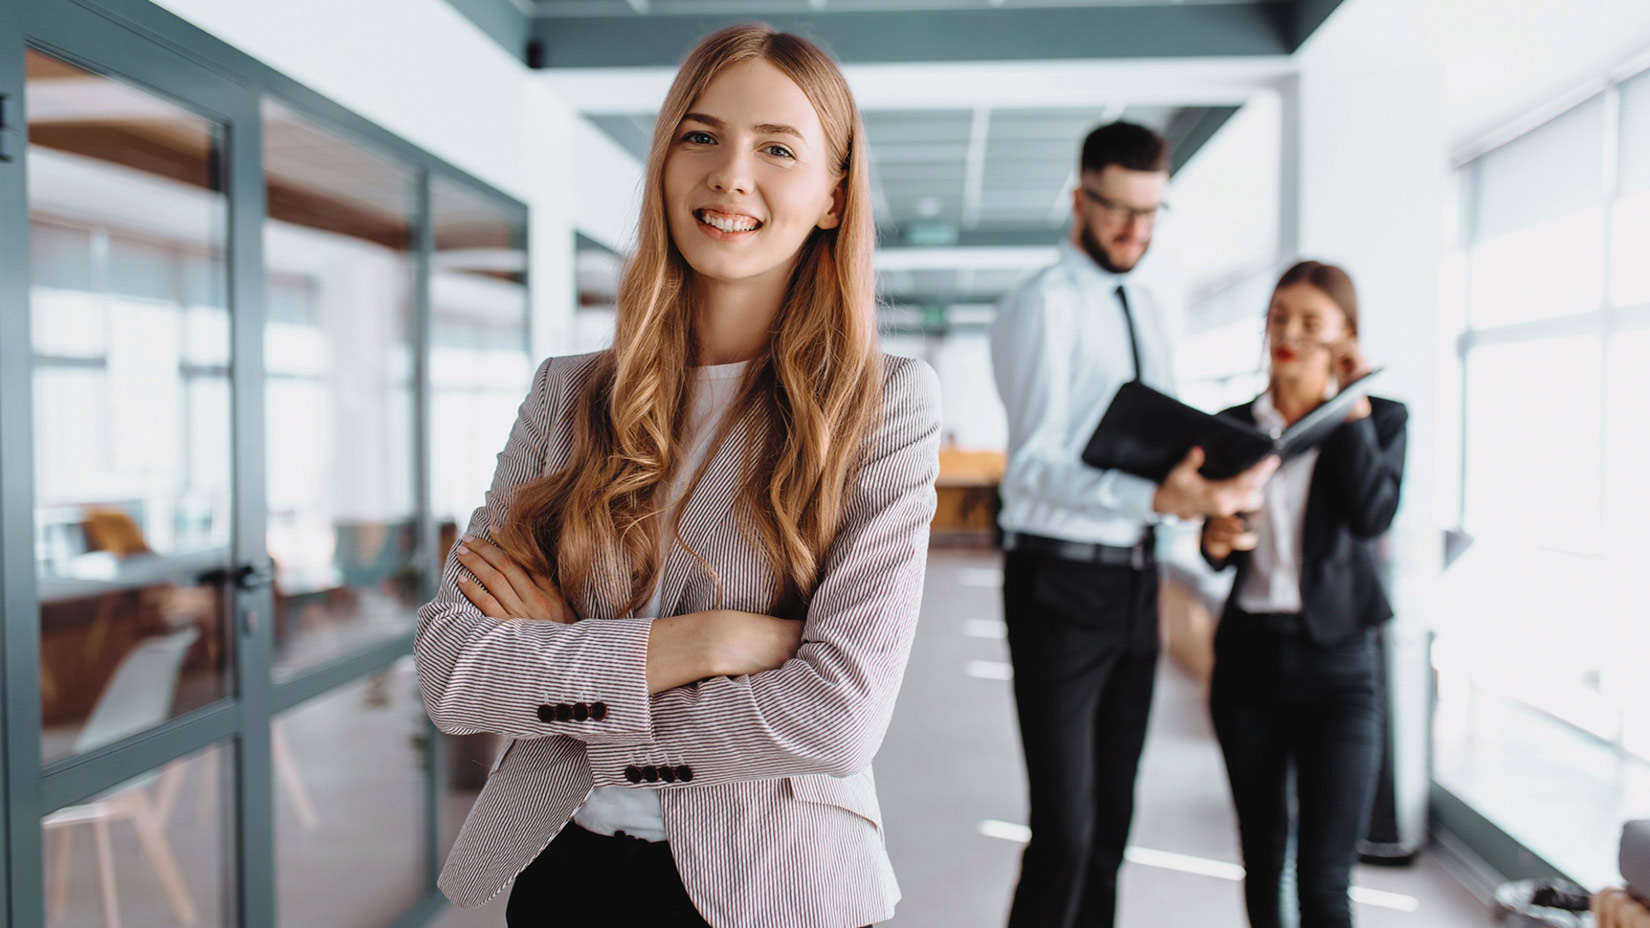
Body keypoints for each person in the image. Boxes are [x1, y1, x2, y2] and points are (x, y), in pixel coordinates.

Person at [414, 24, 940, 928]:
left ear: (831, 196)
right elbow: (452, 668)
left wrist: (570, 671)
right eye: (701, 136)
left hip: (779, 883)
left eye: (777, 148)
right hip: (568, 870)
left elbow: (834, 718)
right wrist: (703, 644)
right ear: (662, 164)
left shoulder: (884, 403)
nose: (731, 174)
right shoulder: (569, 391)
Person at [989, 121, 1278, 928]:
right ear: (1080, 199)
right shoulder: (1043, 305)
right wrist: (1155, 500)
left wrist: (1202, 496)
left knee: (1113, 824)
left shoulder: (1152, 298)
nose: (1133, 231)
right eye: (1116, 209)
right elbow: (1034, 468)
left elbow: (1158, 448)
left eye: (1150, 213)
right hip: (1058, 583)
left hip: (1137, 577)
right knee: (1066, 831)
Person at [1201, 260, 1407, 928]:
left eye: (1311, 322)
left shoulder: (1380, 420)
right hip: (1248, 661)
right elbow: (1215, 552)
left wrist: (1349, 408)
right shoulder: (1233, 426)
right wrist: (1217, 535)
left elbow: (1374, 516)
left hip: (1339, 667)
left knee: (1326, 879)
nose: (1288, 332)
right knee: (1263, 862)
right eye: (1279, 315)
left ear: (1346, 335)